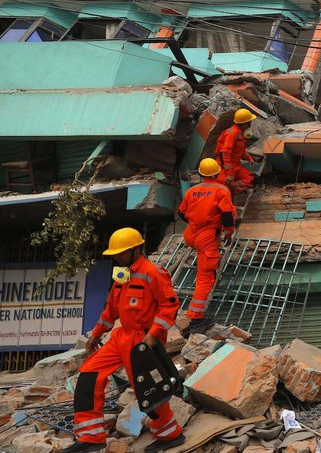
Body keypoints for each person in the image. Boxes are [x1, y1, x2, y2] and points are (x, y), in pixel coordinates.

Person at [64, 228, 183, 453]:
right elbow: (111, 309)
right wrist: (96, 334)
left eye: (121, 253)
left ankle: (170, 434)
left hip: (142, 339)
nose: (117, 257)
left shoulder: (153, 272)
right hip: (121, 336)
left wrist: (152, 335)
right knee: (89, 375)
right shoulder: (122, 274)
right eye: (115, 254)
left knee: (147, 388)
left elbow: (170, 305)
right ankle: (91, 437)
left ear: (136, 249)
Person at [178, 158, 236, 336]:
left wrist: (196, 223)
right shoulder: (221, 190)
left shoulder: (191, 191)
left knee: (203, 273)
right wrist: (228, 233)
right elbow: (227, 216)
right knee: (205, 279)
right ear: (218, 173)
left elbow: (181, 213)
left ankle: (194, 316)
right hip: (207, 237)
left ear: (201, 174)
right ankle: (196, 319)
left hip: (191, 234)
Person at [215, 108, 256, 194]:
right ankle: (229, 189)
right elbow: (224, 154)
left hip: (236, 166)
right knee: (225, 185)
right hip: (224, 168)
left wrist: (249, 158)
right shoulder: (231, 134)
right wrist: (229, 174)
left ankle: (232, 187)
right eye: (250, 121)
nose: (251, 123)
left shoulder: (240, 133)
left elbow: (241, 149)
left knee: (252, 179)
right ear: (246, 123)